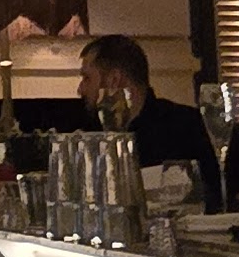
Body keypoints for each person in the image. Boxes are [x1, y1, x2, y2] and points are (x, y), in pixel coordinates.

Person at [78, 34, 220, 184]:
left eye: (87, 78)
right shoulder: (91, 137)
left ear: (114, 80)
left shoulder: (188, 128)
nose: (80, 90)